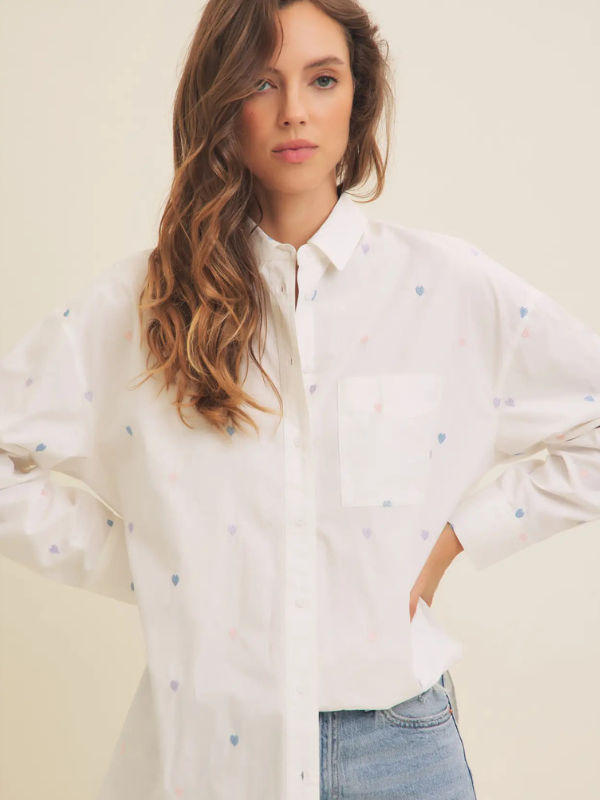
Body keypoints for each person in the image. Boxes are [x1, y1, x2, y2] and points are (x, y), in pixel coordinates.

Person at [1, 0, 599, 798]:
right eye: (260, 81)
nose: (293, 112)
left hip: (398, 747)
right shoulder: (140, 305)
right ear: (222, 101)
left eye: (322, 79)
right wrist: (152, 556)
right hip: (213, 749)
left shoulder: (447, 289)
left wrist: (463, 534)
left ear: (358, 96)